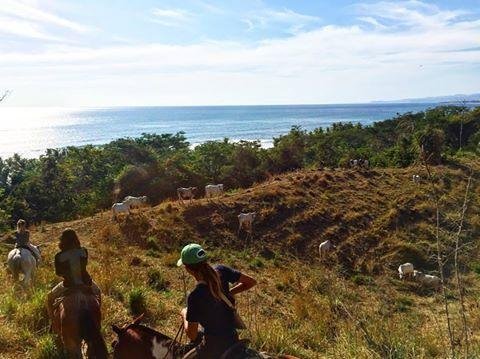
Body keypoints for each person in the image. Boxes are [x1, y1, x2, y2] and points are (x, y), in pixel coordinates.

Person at [178, 243, 257, 359]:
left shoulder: (195, 296)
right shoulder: (222, 271)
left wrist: (184, 314)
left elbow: (192, 335)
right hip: (233, 340)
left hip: (212, 347)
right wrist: (229, 293)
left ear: (188, 269)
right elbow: (251, 282)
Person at [47, 228, 101, 318]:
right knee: (98, 292)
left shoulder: (59, 256)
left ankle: (52, 323)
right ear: (76, 238)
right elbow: (84, 265)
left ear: (63, 240)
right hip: (86, 282)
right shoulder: (84, 251)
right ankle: (99, 319)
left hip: (68, 284)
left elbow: (58, 273)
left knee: (50, 297)